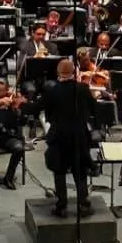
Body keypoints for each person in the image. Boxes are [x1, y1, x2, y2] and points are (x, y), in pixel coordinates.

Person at [42, 59, 95, 217]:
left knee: (59, 170)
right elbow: (93, 108)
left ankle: (62, 205)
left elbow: (48, 115)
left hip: (59, 136)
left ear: (58, 73)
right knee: (80, 171)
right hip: (79, 135)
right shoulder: (83, 88)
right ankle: (83, 204)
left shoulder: (52, 91)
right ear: (73, 72)